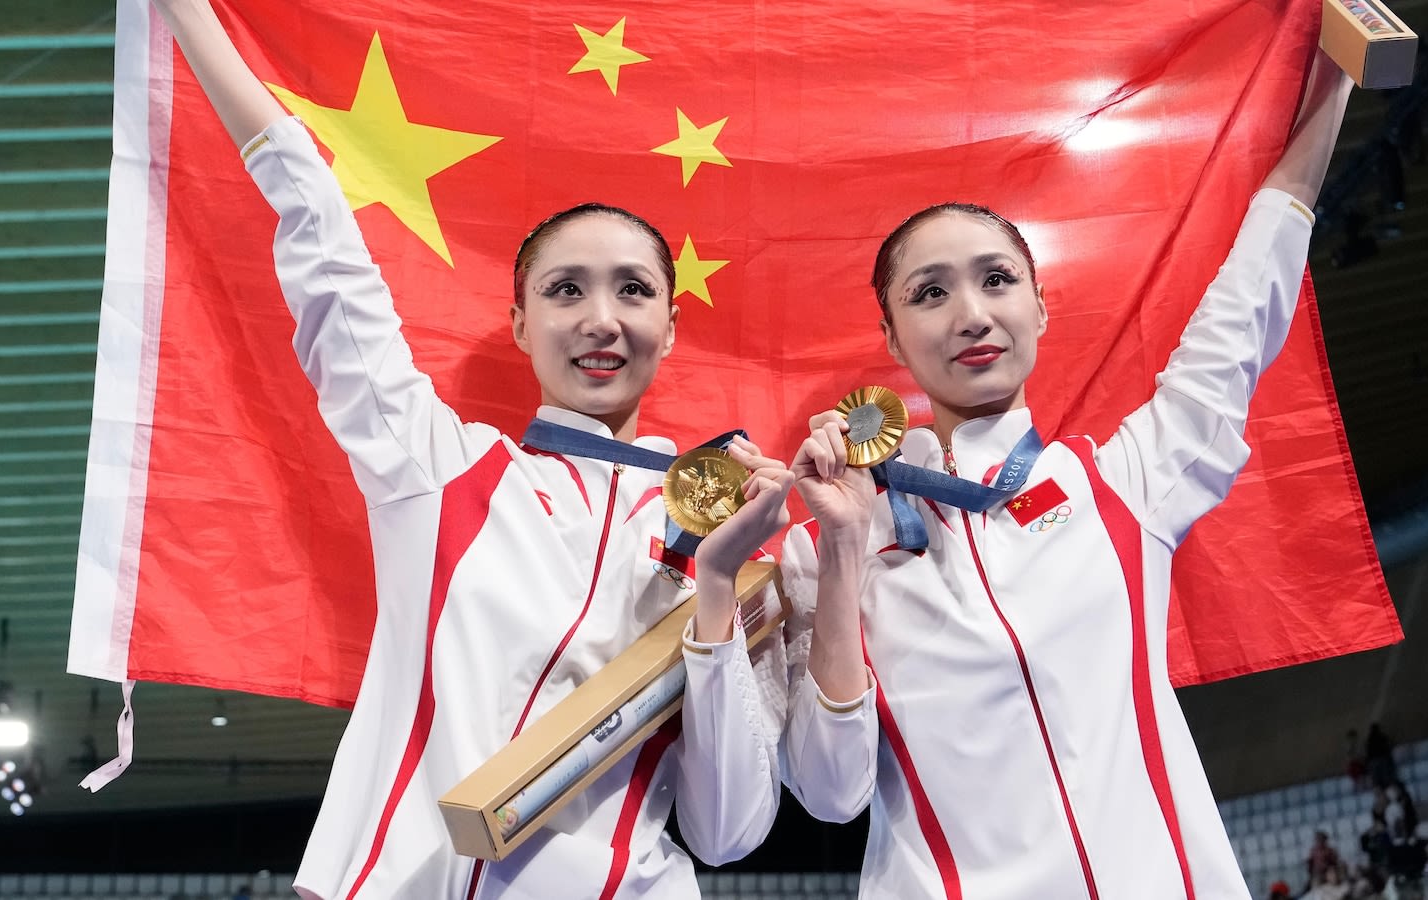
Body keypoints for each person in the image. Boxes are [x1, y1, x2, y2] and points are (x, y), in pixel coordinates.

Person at [148, 2, 791, 897]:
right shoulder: (440, 468)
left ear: (670, 327)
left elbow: (727, 832)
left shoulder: (733, 529)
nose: (601, 319)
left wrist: (718, 588)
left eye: (634, 290)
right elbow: (325, 248)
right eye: (566, 290)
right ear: (521, 324)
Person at [778, 50, 1353, 899]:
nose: (972, 314)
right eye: (930, 294)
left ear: (1039, 308)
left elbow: (1242, 314)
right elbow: (831, 794)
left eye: (997, 280)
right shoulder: (828, 543)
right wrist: (839, 552)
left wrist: (1334, 77)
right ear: (893, 342)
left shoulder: (1123, 484)